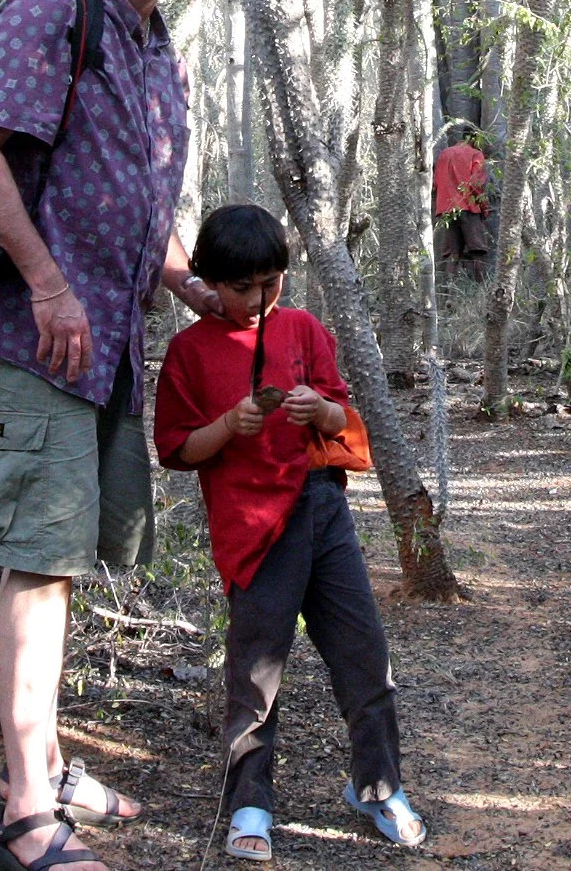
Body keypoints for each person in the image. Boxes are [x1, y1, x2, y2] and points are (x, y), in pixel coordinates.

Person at [0, 0, 222, 871]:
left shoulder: (157, 51)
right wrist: (48, 283)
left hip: (109, 345)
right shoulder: (55, 8)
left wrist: (195, 289)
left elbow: (141, 202)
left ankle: (49, 763)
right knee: (38, 567)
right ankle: (25, 816)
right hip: (39, 336)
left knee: (65, 564)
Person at [154, 203, 425, 862]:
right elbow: (176, 448)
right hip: (252, 528)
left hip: (320, 512)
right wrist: (227, 428)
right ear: (206, 283)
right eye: (238, 287)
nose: (255, 299)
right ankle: (248, 800)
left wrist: (323, 408)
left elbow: (344, 420)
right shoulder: (189, 352)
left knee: (363, 655)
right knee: (255, 670)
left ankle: (377, 784)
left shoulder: (302, 329)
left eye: (269, 283)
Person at [432, 125, 491, 282]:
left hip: (445, 210)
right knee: (478, 250)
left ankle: (449, 293)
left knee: (452, 253)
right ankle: (482, 290)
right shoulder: (475, 154)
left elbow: (435, 183)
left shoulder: (444, 154)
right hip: (468, 208)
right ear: (475, 139)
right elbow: (476, 184)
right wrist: (484, 207)